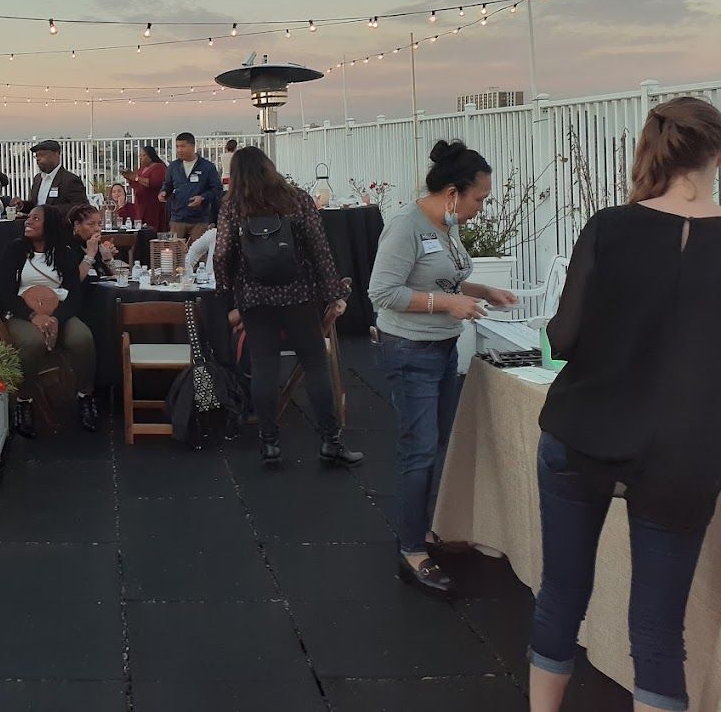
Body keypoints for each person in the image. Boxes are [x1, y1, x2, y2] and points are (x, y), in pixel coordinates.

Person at [528, 97, 721, 712]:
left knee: (561, 596)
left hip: (582, 430)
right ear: (716, 155)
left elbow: (563, 338)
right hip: (685, 453)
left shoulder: (609, 226)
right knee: (659, 634)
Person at [368, 140, 518, 597]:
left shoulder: (445, 225)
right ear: (453, 193)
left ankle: (422, 530)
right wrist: (448, 304)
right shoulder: (405, 226)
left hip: (441, 348)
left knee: (434, 446)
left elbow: (440, 277)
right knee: (419, 451)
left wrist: (482, 291)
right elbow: (383, 292)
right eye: (480, 198)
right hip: (409, 350)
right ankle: (412, 549)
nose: (481, 208)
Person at [213, 146, 361, 469]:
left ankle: (269, 444)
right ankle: (331, 441)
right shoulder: (297, 200)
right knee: (315, 365)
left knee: (264, 366)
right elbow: (320, 249)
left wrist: (227, 290)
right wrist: (334, 292)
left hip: (254, 297)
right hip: (299, 294)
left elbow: (222, 253)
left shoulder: (233, 206)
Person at [4, 205, 100, 436]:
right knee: (32, 343)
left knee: (82, 338)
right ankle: (24, 400)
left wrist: (56, 318)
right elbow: (4, 292)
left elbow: (74, 294)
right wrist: (33, 316)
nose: (28, 221)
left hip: (59, 313)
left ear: (50, 225)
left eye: (36, 218)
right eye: (29, 217)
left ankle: (85, 396)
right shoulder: (15, 250)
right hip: (22, 314)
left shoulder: (64, 253)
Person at [160, 132, 222, 243]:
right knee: (175, 250)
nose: (179, 150)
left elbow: (217, 189)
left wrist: (203, 197)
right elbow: (168, 185)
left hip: (199, 219)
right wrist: (164, 191)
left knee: (197, 251)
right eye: (177, 146)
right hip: (178, 218)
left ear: (193, 146)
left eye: (183, 146)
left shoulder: (207, 167)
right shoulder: (173, 167)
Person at [22, 140, 88, 210]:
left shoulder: (70, 180)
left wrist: (48, 211)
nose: (38, 159)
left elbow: (80, 207)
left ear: (56, 154)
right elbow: (34, 205)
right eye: (36, 156)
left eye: (42, 155)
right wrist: (22, 205)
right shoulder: (38, 178)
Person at [122, 145, 168, 231]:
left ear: (150, 156)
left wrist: (136, 177)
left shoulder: (159, 167)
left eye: (143, 155)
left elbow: (153, 182)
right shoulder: (142, 168)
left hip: (153, 205)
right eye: (140, 155)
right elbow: (136, 184)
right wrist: (129, 177)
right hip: (141, 204)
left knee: (152, 228)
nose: (141, 157)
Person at [68, 203, 117, 279]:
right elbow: (74, 280)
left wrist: (108, 259)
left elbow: (115, 277)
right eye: (91, 224)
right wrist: (90, 254)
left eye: (99, 224)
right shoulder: (68, 248)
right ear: (77, 225)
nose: (97, 229)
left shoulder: (96, 246)